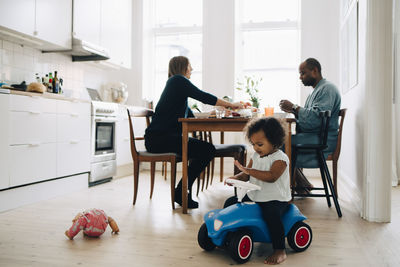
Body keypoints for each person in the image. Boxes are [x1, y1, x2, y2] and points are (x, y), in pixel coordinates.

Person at [144, 56, 243, 209]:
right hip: (160, 139)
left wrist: (215, 113)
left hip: (161, 138)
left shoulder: (175, 87)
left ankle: (182, 190)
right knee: (207, 150)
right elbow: (203, 96)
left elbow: (191, 115)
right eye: (190, 66)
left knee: (204, 150)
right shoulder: (178, 80)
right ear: (183, 67)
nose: (192, 69)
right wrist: (231, 105)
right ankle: (181, 191)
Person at [224, 117, 291, 265]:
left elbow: (271, 177)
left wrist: (248, 170)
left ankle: (280, 250)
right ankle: (230, 234)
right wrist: (235, 178)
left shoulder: (280, 158)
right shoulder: (255, 156)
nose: (256, 148)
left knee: (271, 214)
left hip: (276, 198)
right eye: (253, 144)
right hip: (257, 195)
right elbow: (246, 174)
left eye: (260, 144)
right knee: (231, 202)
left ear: (274, 141)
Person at [279, 58, 341, 193]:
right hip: (313, 136)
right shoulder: (316, 91)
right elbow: (310, 119)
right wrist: (293, 111)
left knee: (277, 144)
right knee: (279, 141)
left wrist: (294, 107)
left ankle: (298, 185)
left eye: (303, 73)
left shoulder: (327, 89)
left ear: (315, 71)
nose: (300, 77)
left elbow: (315, 120)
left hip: (323, 140)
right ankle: (301, 184)